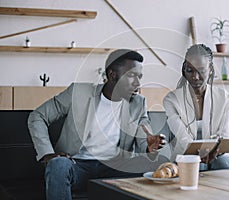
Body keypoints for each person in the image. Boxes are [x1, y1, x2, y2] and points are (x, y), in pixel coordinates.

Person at [28, 49, 168, 200]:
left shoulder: (137, 103)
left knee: (158, 164)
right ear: (112, 74)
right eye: (131, 76)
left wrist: (149, 146)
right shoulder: (79, 93)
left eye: (139, 77)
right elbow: (38, 116)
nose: (138, 83)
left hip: (116, 169)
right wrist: (47, 153)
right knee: (58, 165)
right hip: (77, 165)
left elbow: (143, 140)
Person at [163, 44, 229, 171]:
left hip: (219, 154)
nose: (195, 77)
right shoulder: (171, 99)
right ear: (184, 70)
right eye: (190, 70)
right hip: (186, 154)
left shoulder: (224, 97)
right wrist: (201, 154)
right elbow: (183, 138)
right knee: (197, 165)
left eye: (201, 71)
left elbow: (224, 136)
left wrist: (213, 150)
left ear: (210, 70)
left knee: (223, 163)